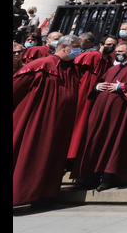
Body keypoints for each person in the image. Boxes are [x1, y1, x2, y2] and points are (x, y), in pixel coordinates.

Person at [13, 34, 81, 206]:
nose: (78, 51)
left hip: (61, 124)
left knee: (53, 158)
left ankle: (45, 195)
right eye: (75, 46)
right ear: (64, 47)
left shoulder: (72, 69)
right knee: (31, 156)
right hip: (37, 120)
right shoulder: (41, 65)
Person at [73, 41, 127, 191]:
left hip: (120, 111)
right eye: (117, 51)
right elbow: (99, 83)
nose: (118, 53)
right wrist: (97, 87)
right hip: (101, 111)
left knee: (114, 140)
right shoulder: (112, 68)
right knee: (97, 140)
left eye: (121, 51)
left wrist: (122, 86)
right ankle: (92, 174)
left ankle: (107, 176)